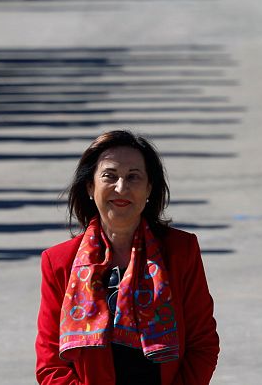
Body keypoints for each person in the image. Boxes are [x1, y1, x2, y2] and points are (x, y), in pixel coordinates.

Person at [35, 130, 220, 384]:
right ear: (90, 186)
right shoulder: (58, 262)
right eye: (109, 176)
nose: (121, 188)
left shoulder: (180, 250)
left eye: (133, 177)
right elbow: (51, 365)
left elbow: (203, 344)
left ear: (149, 189)